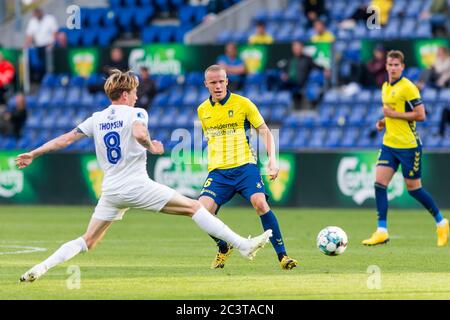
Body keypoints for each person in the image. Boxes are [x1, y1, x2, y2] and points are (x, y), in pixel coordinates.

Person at [17, 69, 272, 283]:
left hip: (111, 191)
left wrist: (34, 153)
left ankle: (41, 267)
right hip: (136, 186)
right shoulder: (137, 113)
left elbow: (64, 139)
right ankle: (243, 245)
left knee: (88, 240)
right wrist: (152, 145)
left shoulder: (97, 118)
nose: (137, 96)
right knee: (195, 207)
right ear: (126, 94)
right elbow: (139, 133)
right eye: (135, 92)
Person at [197, 64, 298, 270]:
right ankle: (224, 247)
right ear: (206, 84)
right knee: (201, 211)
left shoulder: (243, 104)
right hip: (218, 172)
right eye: (213, 82)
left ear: (227, 81)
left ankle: (283, 256)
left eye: (221, 81)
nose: (218, 86)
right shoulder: (202, 110)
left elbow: (266, 132)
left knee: (260, 203)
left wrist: (273, 160)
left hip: (245, 167)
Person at [362, 50, 449, 247]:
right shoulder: (385, 86)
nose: (393, 68)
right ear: (386, 66)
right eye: (390, 65)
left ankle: (442, 223)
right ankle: (382, 230)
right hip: (389, 144)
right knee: (379, 183)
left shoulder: (408, 88)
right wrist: (384, 121)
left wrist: (392, 114)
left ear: (402, 67)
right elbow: (394, 114)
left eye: (396, 65)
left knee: (414, 189)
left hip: (409, 146)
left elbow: (420, 115)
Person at [280, 41, 330, 110]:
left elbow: (316, 66)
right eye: (295, 48)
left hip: (302, 83)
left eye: (298, 48)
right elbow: (284, 70)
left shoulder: (307, 59)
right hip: (289, 83)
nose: (297, 50)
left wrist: (324, 70)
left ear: (302, 48)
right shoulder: (290, 60)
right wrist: (284, 75)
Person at [24, 8, 58, 83]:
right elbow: (29, 36)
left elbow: (55, 32)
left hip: (49, 46)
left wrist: (52, 43)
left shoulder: (50, 19)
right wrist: (25, 45)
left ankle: (49, 79)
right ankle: (39, 80)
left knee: (48, 64)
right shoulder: (32, 21)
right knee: (37, 63)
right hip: (38, 47)